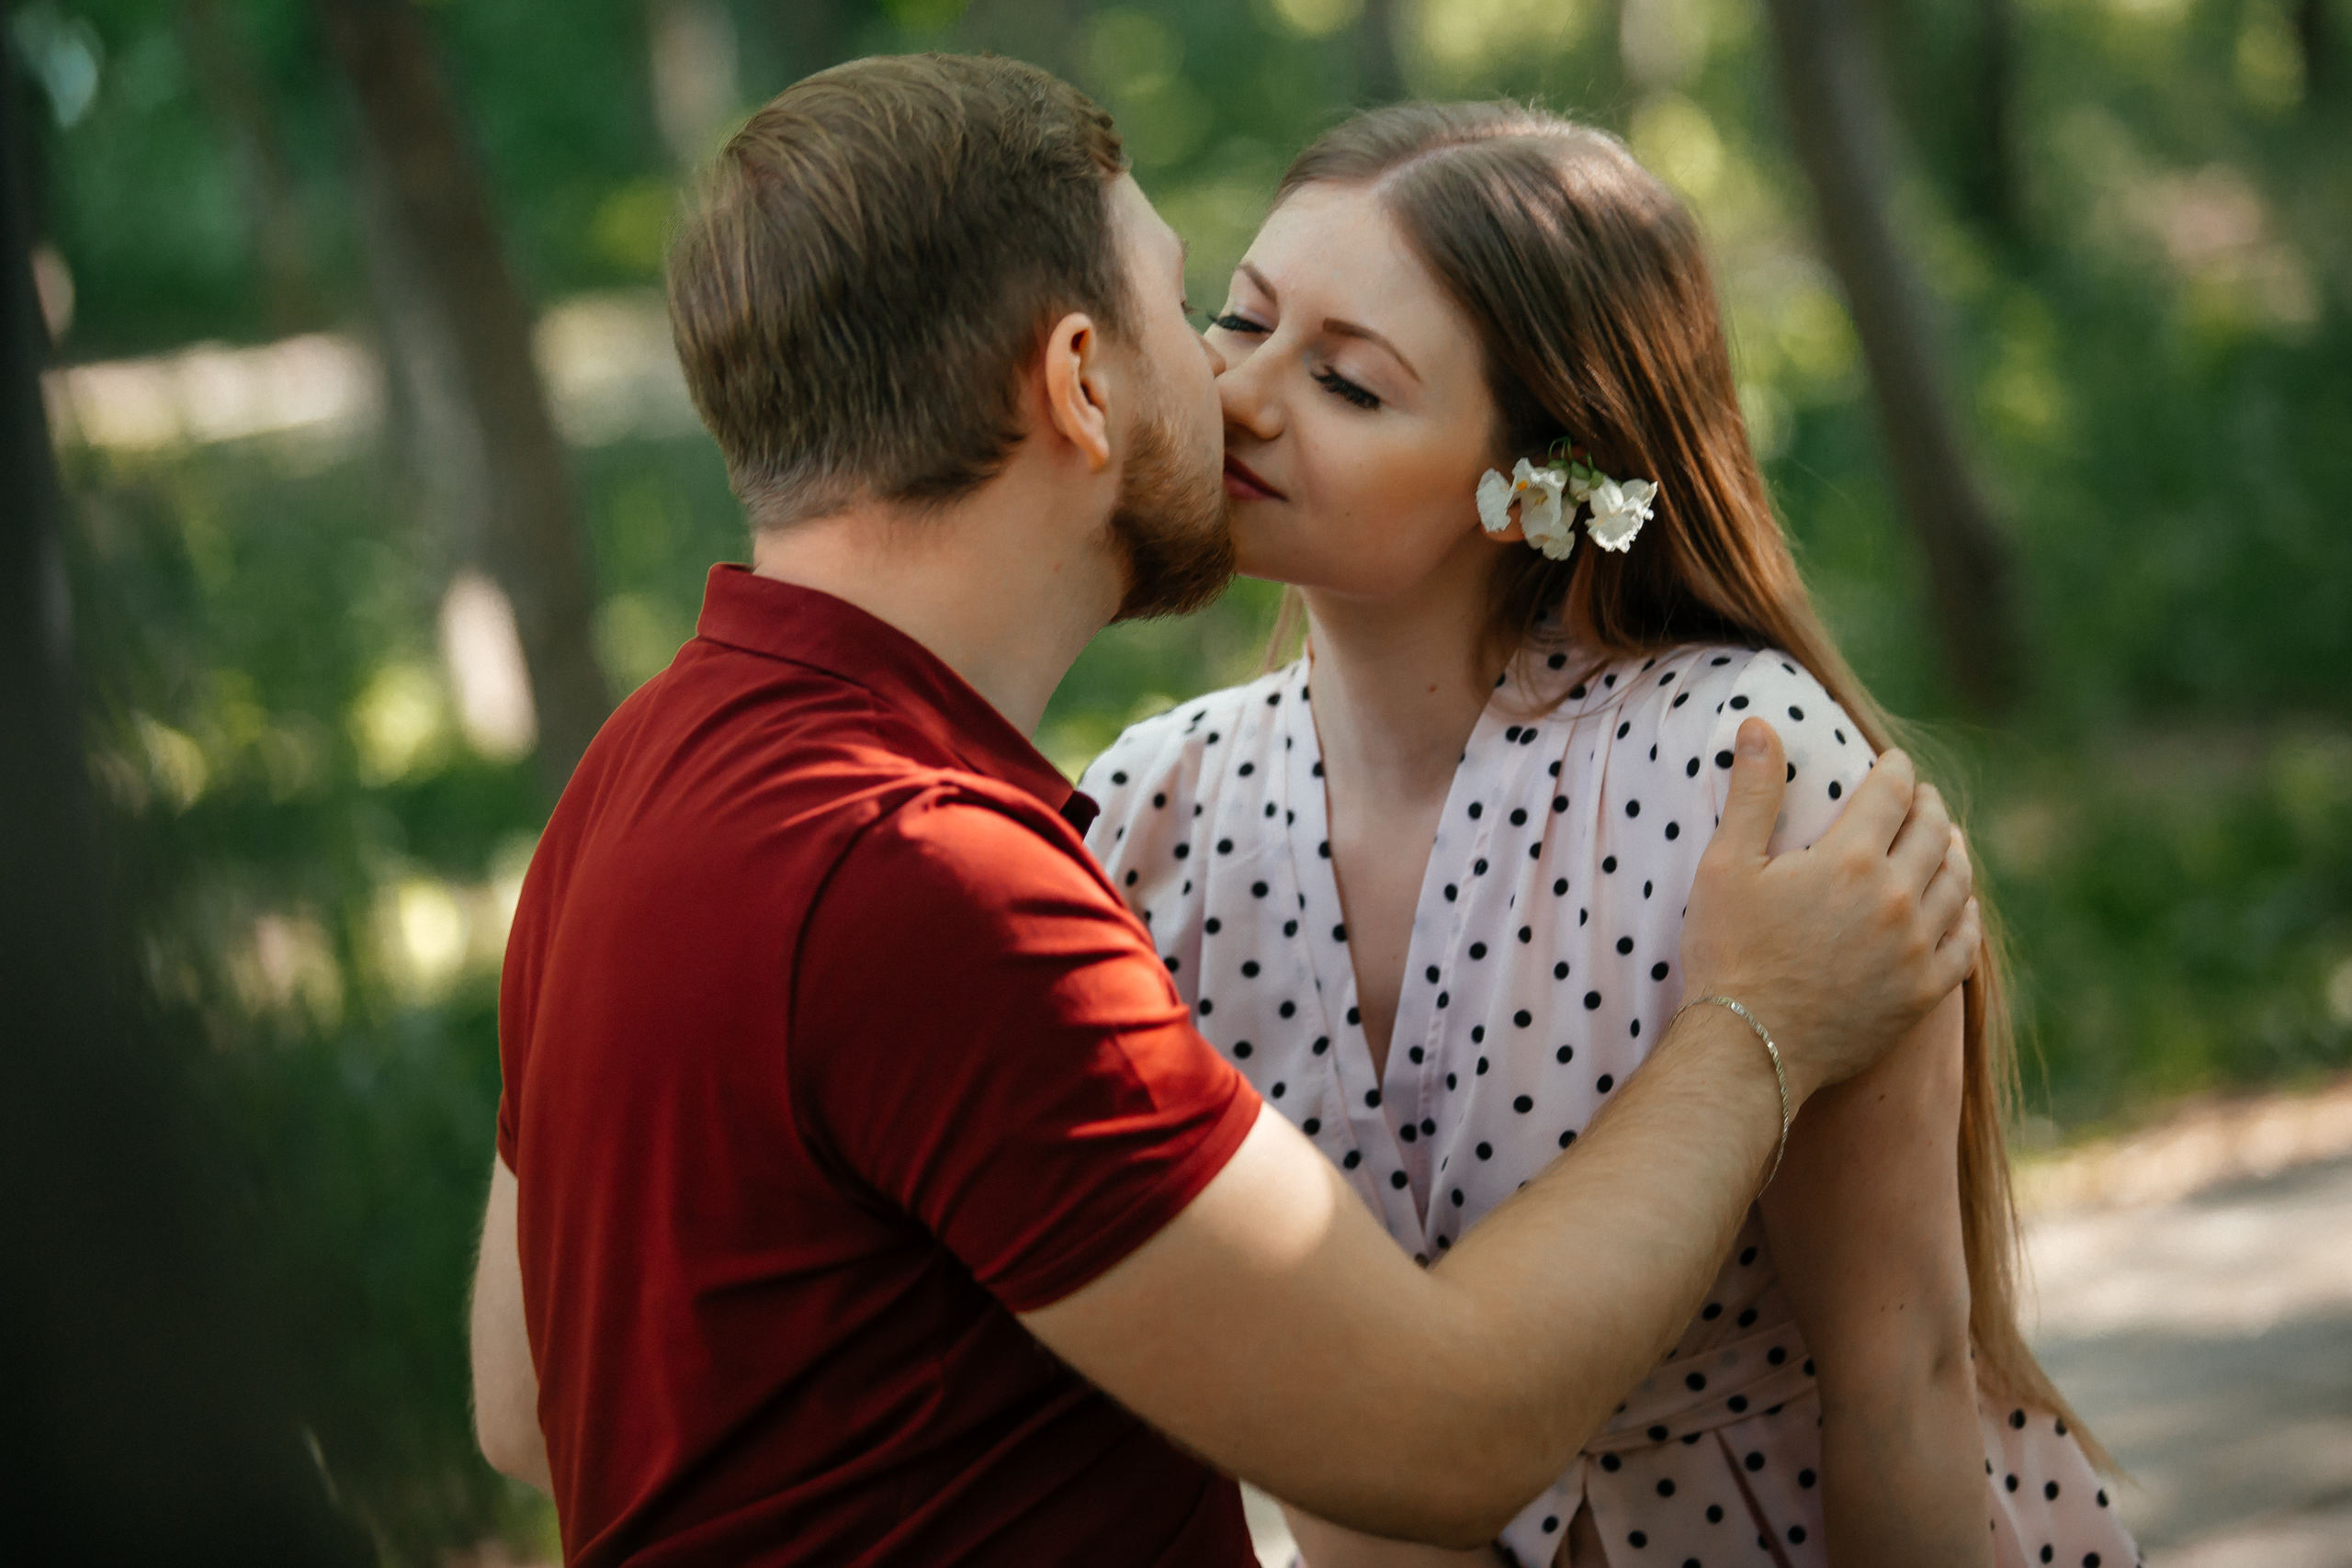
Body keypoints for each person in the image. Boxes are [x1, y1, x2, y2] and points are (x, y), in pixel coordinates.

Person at [468, 57, 1981, 1566]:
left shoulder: (629, 779)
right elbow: (1438, 1435)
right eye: (1206, 312)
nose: (1231, 388)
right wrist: (1757, 1025)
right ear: (1080, 380)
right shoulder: (949, 881)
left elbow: (530, 1407)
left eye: (1338, 371)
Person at [1079, 103, 2135, 1568]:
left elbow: (1900, 1381)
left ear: (1536, 483)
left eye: (1348, 382)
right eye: (1241, 319)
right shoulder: (1155, 813)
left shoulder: (1745, 778)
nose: (1239, 394)